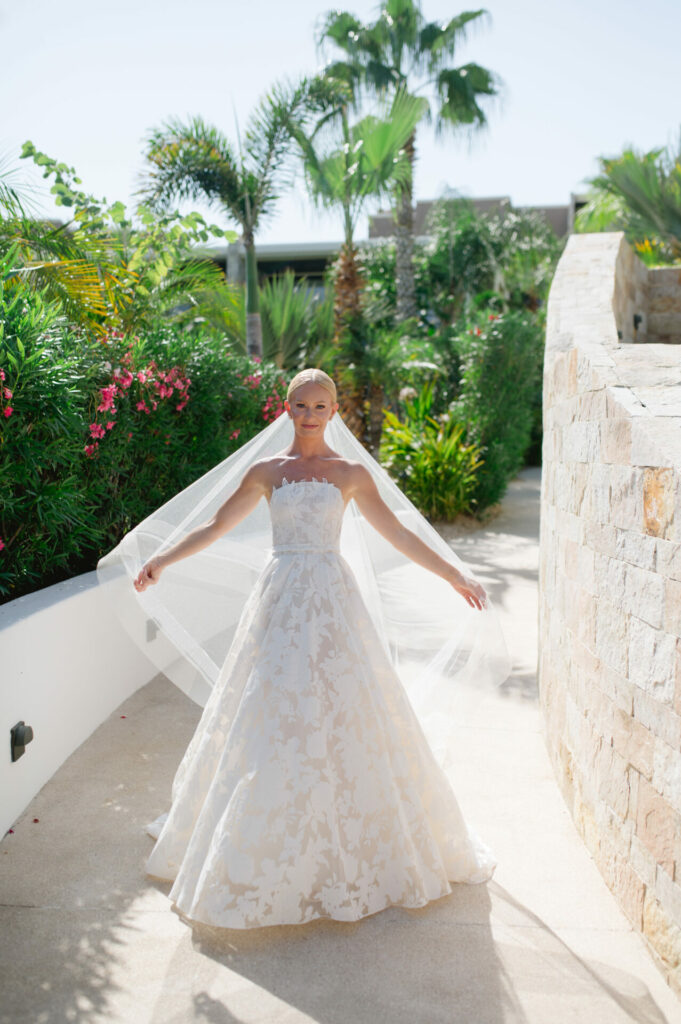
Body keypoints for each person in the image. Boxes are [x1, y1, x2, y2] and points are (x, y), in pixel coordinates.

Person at [131, 367, 499, 929]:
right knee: (267, 711)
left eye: (321, 405)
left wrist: (454, 575)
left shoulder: (350, 474)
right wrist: (163, 560)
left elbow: (396, 535)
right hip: (279, 601)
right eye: (301, 405)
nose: (310, 414)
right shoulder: (266, 471)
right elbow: (215, 525)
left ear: (334, 411)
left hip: (333, 603)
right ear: (286, 409)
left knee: (346, 710)